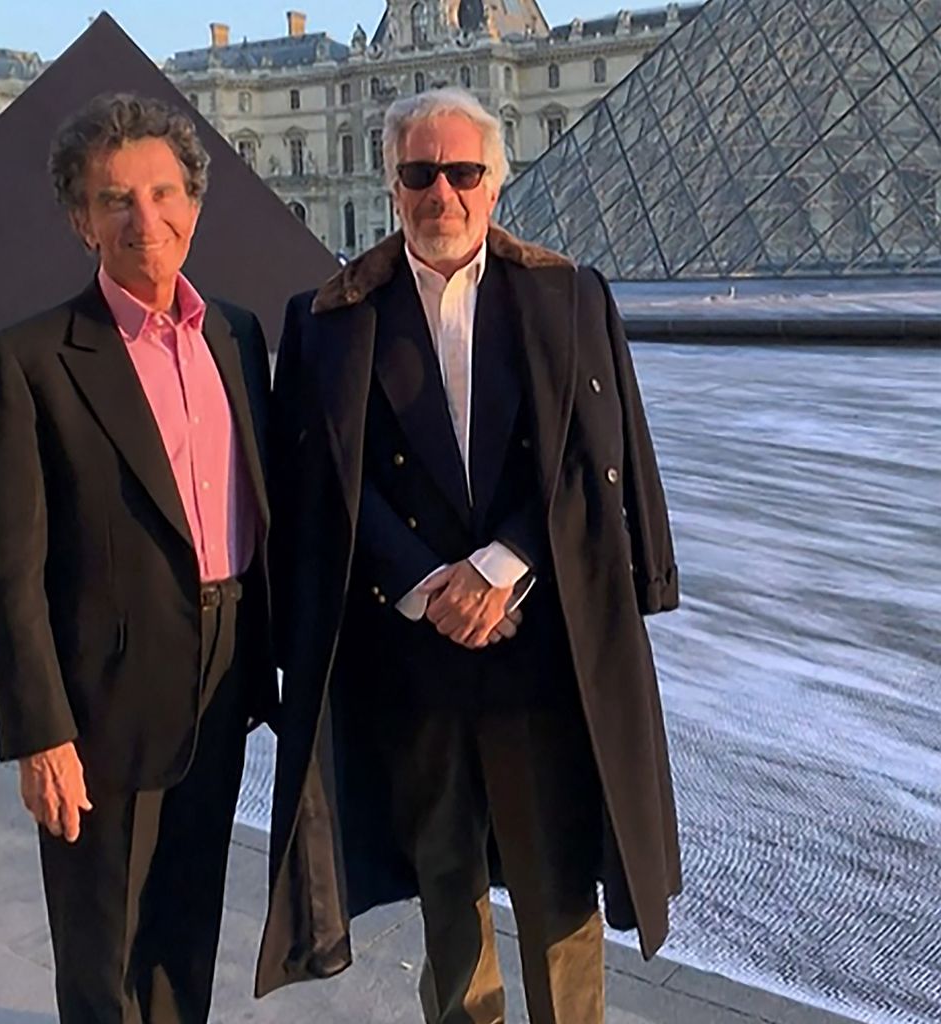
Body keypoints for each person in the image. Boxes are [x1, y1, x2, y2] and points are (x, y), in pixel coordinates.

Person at [256, 88, 681, 1024]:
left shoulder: (570, 293)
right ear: (392, 183)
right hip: (411, 648)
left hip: (539, 640)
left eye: (462, 172)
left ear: (496, 181)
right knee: (446, 883)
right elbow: (324, 482)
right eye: (420, 172)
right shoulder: (325, 315)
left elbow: (589, 453)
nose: (441, 191)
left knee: (558, 885)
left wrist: (500, 565)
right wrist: (419, 579)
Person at [0, 93, 275, 1023]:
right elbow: (5, 571)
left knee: (186, 938)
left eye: (165, 192)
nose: (147, 219)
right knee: (104, 962)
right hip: (95, 708)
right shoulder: (27, 362)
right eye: (115, 200)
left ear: (196, 204)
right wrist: (38, 731)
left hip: (220, 679)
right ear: (79, 220)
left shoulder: (239, 336)